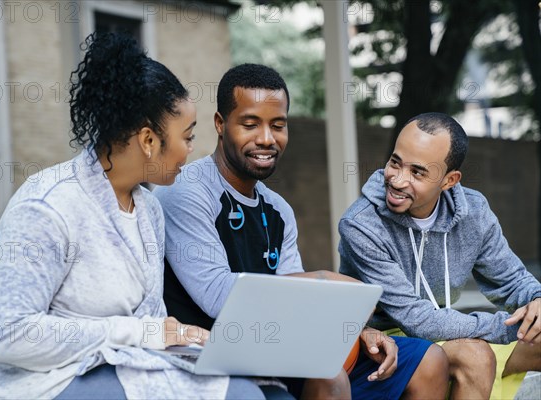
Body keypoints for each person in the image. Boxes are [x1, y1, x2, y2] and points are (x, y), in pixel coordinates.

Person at [0, 33, 268, 400]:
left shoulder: (150, 210)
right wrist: (136, 333)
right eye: (187, 137)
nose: (191, 150)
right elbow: (7, 335)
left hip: (120, 363)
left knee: (246, 390)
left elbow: (149, 322)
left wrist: (180, 335)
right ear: (148, 140)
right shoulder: (47, 207)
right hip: (38, 380)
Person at [154, 64, 449, 399]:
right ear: (221, 125)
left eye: (277, 125)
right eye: (250, 124)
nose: (266, 139)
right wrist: (323, 279)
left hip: (278, 348)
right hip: (212, 356)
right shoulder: (186, 190)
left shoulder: (278, 209)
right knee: (330, 377)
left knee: (429, 360)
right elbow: (218, 295)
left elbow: (297, 302)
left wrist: (358, 328)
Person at [338, 112, 541, 399]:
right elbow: (416, 320)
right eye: (395, 163)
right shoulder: (361, 225)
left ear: (449, 181)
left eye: (417, 172)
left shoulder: (473, 211)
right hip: (387, 340)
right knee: (475, 354)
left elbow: (511, 280)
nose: (397, 180)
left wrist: (536, 301)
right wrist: (509, 327)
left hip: (448, 331)